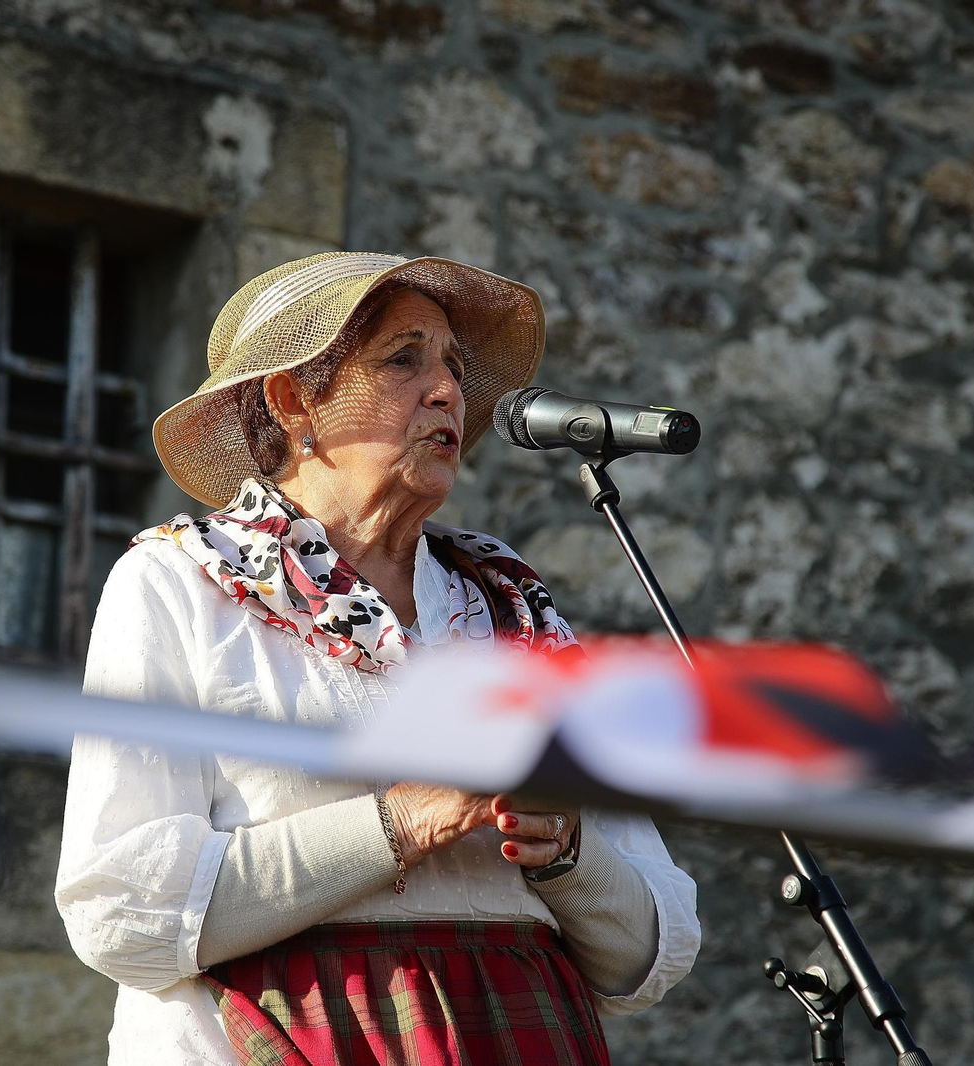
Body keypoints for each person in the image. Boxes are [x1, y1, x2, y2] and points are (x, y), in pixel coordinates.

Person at [55, 252, 700, 1066]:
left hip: (518, 1031)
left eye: (455, 367)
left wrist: (564, 852)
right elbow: (121, 913)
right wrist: (400, 822)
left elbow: (651, 955)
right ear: (294, 401)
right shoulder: (179, 585)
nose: (448, 393)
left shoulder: (512, 609)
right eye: (403, 359)